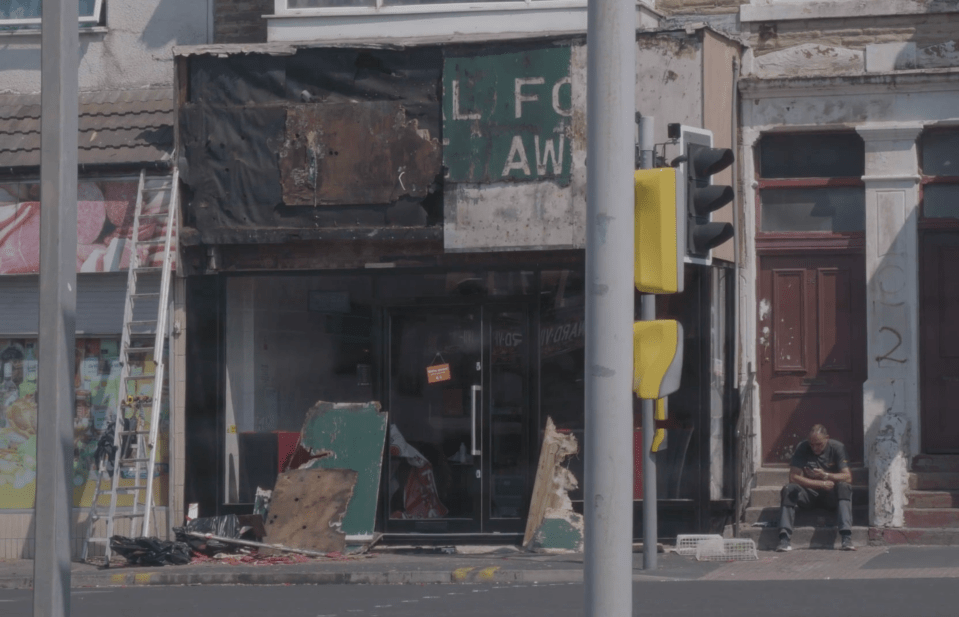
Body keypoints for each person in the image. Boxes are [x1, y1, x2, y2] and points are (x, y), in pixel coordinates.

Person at [777, 424, 855, 552]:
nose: (815, 448)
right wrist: (820, 484)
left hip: (831, 495)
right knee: (789, 489)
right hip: (809, 494)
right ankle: (784, 538)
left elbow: (847, 477)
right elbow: (793, 477)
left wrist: (826, 476)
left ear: (827, 438)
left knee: (844, 486)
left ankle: (846, 537)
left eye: (819, 444)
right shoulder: (803, 447)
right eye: (812, 444)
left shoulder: (838, 448)